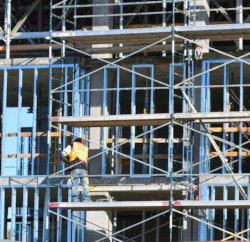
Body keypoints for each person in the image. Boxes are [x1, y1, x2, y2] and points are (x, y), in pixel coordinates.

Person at [61, 137, 91, 202]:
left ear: (74, 141)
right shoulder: (85, 148)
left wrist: (66, 159)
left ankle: (75, 199)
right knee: (85, 183)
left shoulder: (72, 145)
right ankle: (87, 198)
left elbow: (63, 153)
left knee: (75, 183)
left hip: (75, 167)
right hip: (84, 168)